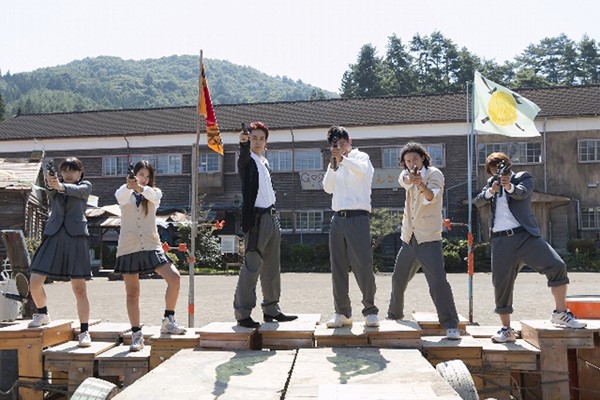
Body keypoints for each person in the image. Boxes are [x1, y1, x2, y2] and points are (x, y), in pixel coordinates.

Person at [474, 152, 586, 343]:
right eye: (492, 169)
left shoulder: (523, 177)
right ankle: (506, 329)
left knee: (557, 265)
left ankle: (560, 313)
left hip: (525, 236)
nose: (496, 172)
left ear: (507, 165)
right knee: (501, 283)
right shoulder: (491, 183)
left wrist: (508, 186)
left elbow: (522, 193)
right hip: (501, 240)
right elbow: (478, 202)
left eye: (498, 167)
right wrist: (491, 191)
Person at [387, 142, 460, 340]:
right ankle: (394, 315)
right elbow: (404, 179)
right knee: (398, 279)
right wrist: (412, 179)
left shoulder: (435, 174)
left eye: (415, 159)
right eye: (407, 160)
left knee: (438, 283)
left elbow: (430, 197)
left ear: (423, 158)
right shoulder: (406, 175)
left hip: (429, 238)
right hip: (408, 238)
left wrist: (420, 183)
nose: (412, 163)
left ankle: (451, 324)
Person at [115, 160, 186, 351]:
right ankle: (136, 334)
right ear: (133, 175)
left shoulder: (154, 193)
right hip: (129, 247)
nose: (144, 179)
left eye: (147, 176)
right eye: (141, 175)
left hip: (151, 245)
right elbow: (121, 196)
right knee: (132, 293)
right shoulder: (123, 191)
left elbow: (151, 195)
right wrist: (130, 186)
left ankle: (168, 319)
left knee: (174, 277)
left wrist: (139, 187)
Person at [233, 121, 297, 328]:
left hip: (271, 216)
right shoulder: (247, 160)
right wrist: (243, 145)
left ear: (266, 141)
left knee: (272, 265)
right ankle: (243, 313)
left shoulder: (264, 161)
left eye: (262, 138)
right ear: (248, 139)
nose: (258, 142)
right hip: (257, 219)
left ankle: (271, 309)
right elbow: (243, 159)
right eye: (254, 138)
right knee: (252, 265)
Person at [28, 157, 93, 347]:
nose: (68, 173)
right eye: (65, 170)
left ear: (80, 173)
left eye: (72, 170)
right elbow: (51, 190)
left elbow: (75, 191)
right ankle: (42, 312)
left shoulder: (85, 186)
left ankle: (84, 331)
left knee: (79, 288)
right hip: (54, 234)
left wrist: (59, 185)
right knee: (34, 281)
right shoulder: (55, 187)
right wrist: (51, 182)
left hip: (76, 237)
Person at [322, 126, 380, 328]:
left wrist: (343, 159)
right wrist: (333, 165)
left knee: (363, 265)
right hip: (338, 218)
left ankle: (370, 311)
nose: (340, 147)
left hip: (358, 217)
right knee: (337, 267)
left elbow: (361, 171)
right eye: (335, 145)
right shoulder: (334, 163)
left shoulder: (361, 157)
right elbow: (327, 187)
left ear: (350, 141)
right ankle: (342, 312)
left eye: (342, 143)